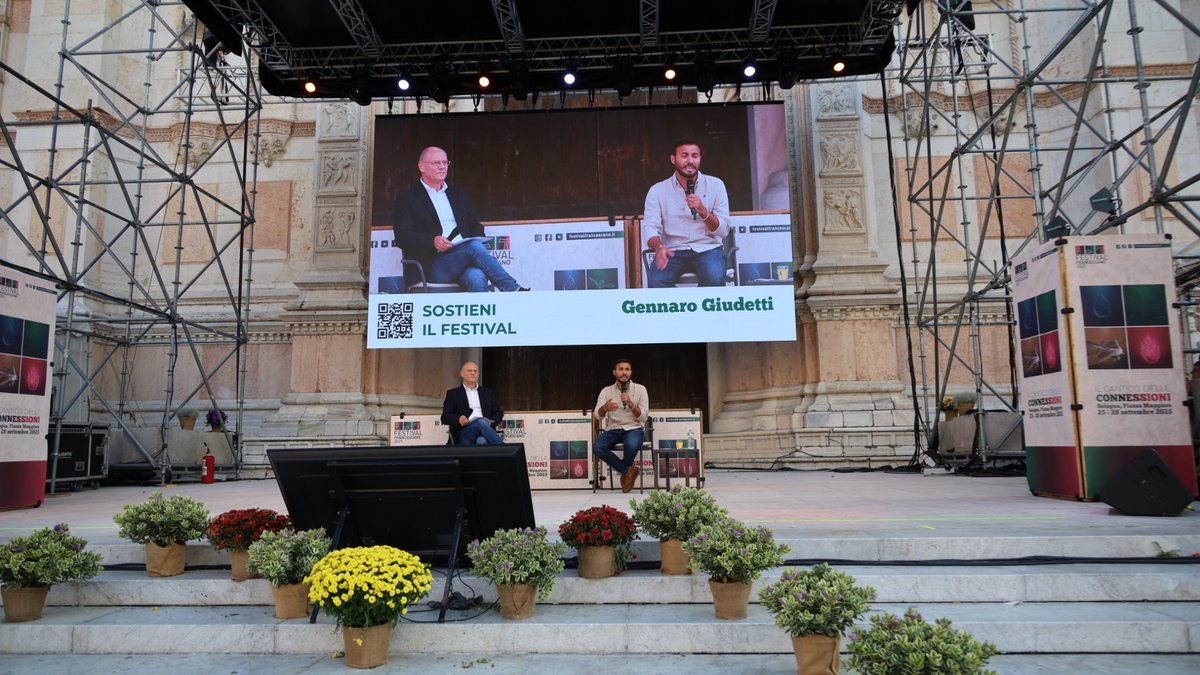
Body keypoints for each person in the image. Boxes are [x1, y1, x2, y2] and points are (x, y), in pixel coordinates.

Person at [392, 147, 528, 292]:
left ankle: (482, 308)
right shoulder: (408, 197)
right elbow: (402, 237)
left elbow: (475, 225)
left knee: (477, 276)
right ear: (421, 166)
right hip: (431, 265)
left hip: (464, 258)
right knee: (474, 247)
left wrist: (477, 239)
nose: (442, 167)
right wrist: (432, 240)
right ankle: (512, 289)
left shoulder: (457, 194)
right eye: (436, 163)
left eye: (445, 162)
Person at [642, 139, 732, 287]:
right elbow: (650, 227)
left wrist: (702, 210)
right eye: (684, 155)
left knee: (714, 279)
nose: (690, 161)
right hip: (672, 250)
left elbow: (723, 231)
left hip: (708, 248)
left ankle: (701, 303)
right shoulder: (657, 190)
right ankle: (683, 303)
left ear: (700, 159)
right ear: (673, 159)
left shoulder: (716, 185)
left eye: (695, 156)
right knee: (656, 282)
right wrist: (659, 248)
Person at [593, 358, 649, 493]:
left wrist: (631, 404)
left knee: (632, 444)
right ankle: (628, 471)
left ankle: (626, 473)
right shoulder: (606, 391)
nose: (624, 372)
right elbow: (597, 415)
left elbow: (644, 417)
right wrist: (605, 408)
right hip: (613, 428)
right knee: (597, 447)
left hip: (633, 428)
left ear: (631, 372)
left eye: (627, 369)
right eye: (621, 369)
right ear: (614, 372)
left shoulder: (640, 389)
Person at [441, 361, 505, 445]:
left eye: (475, 371)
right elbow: (445, 417)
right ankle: (503, 448)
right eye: (469, 371)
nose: (473, 373)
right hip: (464, 432)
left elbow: (498, 413)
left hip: (486, 429)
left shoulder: (487, 392)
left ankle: (500, 448)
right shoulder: (453, 394)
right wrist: (459, 419)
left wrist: (489, 424)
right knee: (480, 422)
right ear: (462, 374)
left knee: (481, 441)